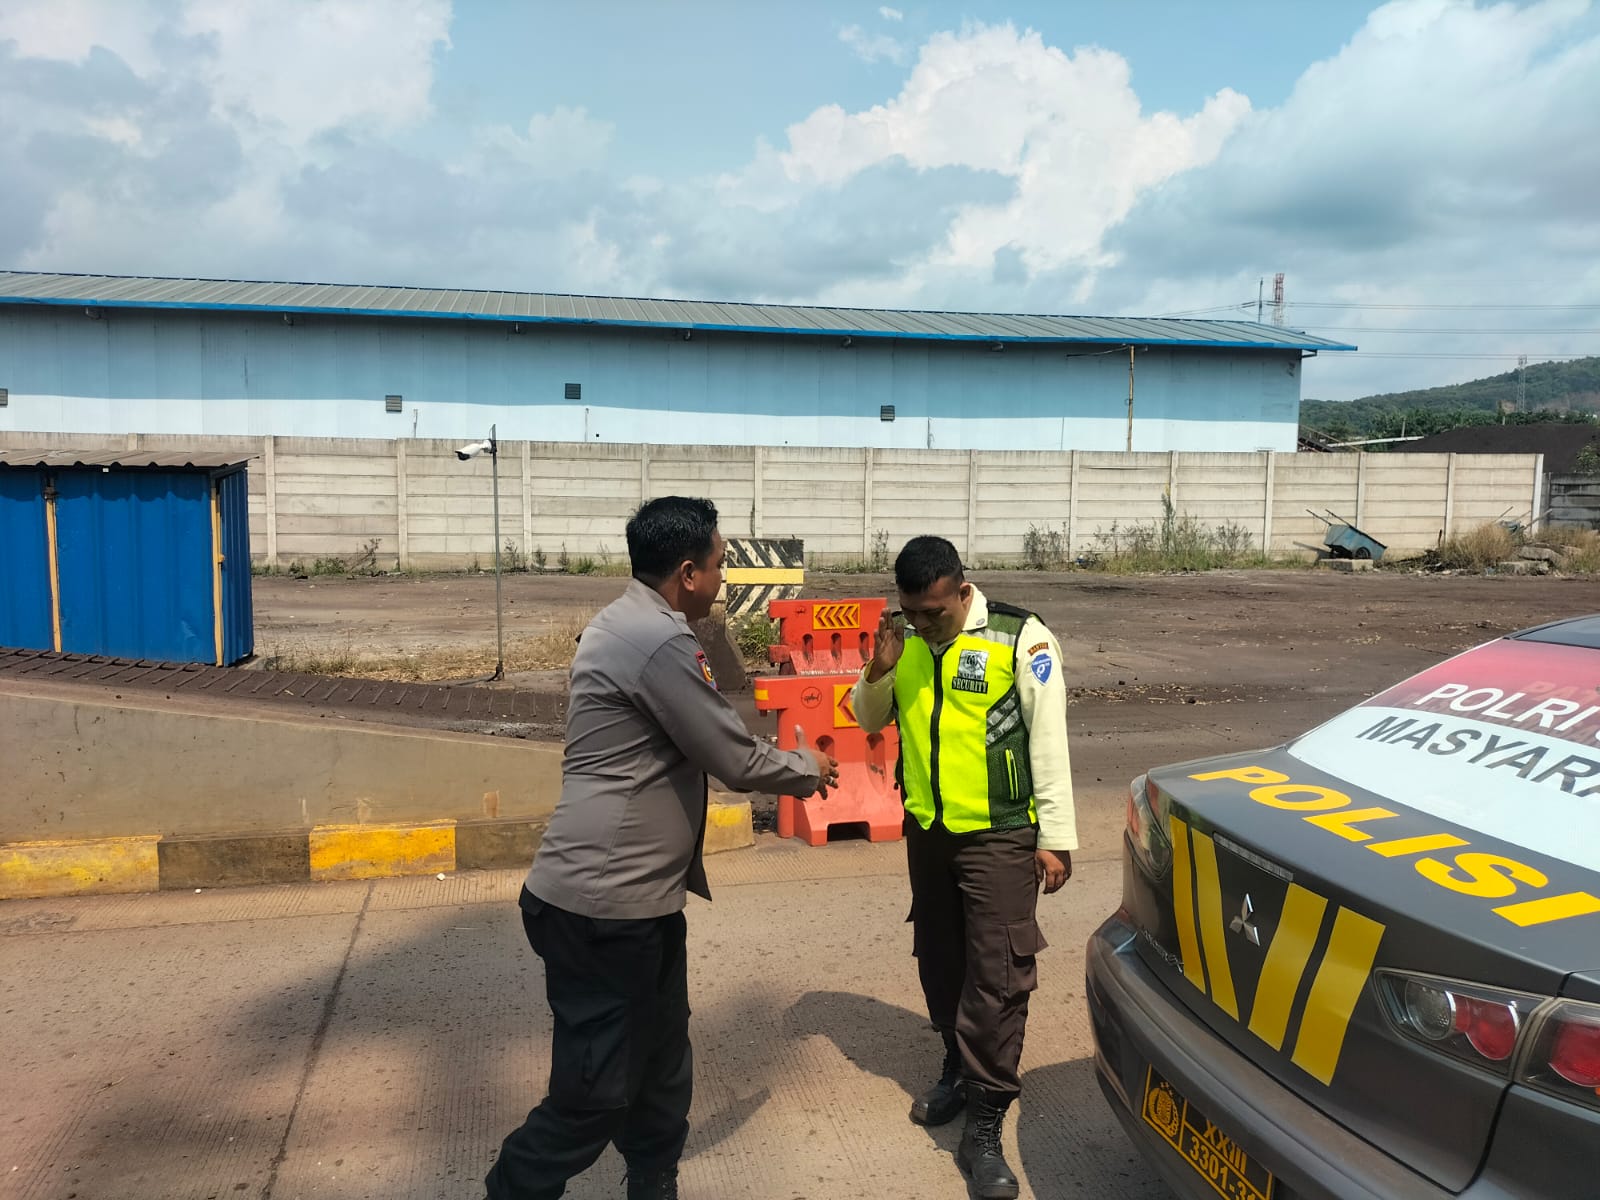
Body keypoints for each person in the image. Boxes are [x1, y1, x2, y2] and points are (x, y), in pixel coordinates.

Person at [486, 496, 838, 1200]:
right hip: (605, 910)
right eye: (720, 565)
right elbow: (731, 756)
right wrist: (808, 769)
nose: (724, 579)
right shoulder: (659, 641)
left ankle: (653, 1178)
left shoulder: (622, 621)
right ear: (687, 572)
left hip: (636, 905)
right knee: (594, 1095)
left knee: (660, 1060)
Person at [851, 535, 1076, 1200]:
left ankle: (985, 1122)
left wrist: (1055, 836)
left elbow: (1048, 738)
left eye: (934, 613)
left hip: (999, 834)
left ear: (963, 590)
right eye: (911, 613)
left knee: (998, 976)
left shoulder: (1019, 638)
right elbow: (866, 719)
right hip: (929, 831)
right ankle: (956, 1063)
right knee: (941, 959)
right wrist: (879, 668)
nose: (923, 624)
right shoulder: (904, 644)